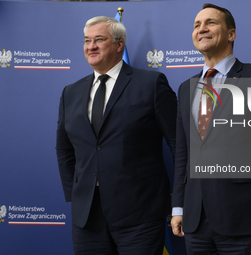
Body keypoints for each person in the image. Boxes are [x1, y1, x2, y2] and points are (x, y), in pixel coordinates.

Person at [171, 3, 251, 254]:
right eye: (197, 25)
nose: (202, 29)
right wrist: (179, 207)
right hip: (196, 220)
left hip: (244, 217)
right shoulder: (186, 89)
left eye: (210, 23)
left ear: (231, 34)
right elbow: (182, 155)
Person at [56, 16, 176, 255]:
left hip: (140, 212)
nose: (91, 46)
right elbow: (64, 149)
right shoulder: (71, 92)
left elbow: (179, 143)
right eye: (87, 40)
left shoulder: (151, 84)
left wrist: (181, 200)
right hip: (87, 217)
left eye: (99, 39)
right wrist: (76, 192)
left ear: (119, 44)